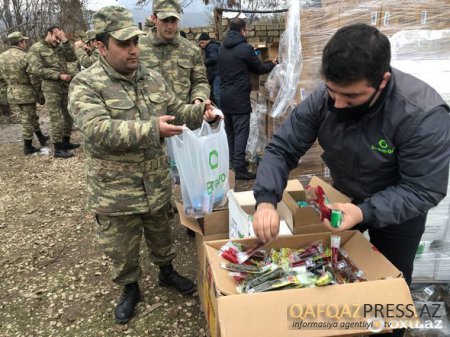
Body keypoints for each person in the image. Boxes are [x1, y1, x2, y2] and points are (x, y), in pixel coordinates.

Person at [253, 23, 450, 336]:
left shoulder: (421, 114)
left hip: (399, 211)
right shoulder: (324, 100)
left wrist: (365, 212)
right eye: (333, 93)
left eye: (352, 96)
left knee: (390, 290)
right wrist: (265, 200)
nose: (339, 105)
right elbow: (282, 148)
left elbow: (423, 189)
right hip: (345, 196)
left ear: (382, 81)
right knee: (328, 273)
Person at [68, 6, 217, 325]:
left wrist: (199, 109)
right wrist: (152, 129)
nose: (133, 49)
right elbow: (97, 129)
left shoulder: (150, 76)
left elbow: (175, 109)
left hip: (155, 180)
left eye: (135, 41)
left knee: (161, 233)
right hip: (115, 190)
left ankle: (166, 271)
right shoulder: (85, 84)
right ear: (101, 45)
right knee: (121, 246)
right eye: (123, 43)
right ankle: (130, 288)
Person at [218, 18, 277, 180]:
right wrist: (273, 64)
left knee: (230, 132)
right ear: (243, 30)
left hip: (224, 97)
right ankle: (239, 168)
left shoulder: (222, 48)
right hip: (239, 98)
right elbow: (258, 69)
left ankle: (231, 164)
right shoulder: (245, 48)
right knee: (241, 132)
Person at [139, 0, 210, 105]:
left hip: (183, 117)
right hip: (150, 119)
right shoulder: (138, 47)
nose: (170, 26)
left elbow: (201, 82)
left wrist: (198, 99)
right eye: (165, 20)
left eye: (174, 20)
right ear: (154, 18)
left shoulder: (191, 50)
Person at [27, 25, 79, 158]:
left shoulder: (61, 46)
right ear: (49, 34)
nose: (58, 41)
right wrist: (58, 75)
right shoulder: (36, 49)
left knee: (68, 115)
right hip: (51, 89)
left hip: (64, 87)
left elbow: (72, 58)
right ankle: (58, 148)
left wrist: (65, 41)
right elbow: (36, 70)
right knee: (57, 118)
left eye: (59, 38)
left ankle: (66, 142)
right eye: (56, 37)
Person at [0, 31, 49, 154]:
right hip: (26, 92)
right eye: (24, 41)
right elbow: (33, 77)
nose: (26, 43)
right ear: (20, 42)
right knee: (28, 118)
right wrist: (40, 93)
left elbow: (1, 79)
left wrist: (4, 93)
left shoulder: (1, 57)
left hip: (12, 91)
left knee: (31, 115)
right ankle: (28, 146)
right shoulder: (25, 56)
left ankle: (41, 137)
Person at [198, 32, 221, 108]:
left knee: (217, 94)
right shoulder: (214, 46)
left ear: (207, 41)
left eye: (202, 43)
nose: (201, 45)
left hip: (216, 74)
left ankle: (220, 112)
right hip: (216, 74)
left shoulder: (211, 47)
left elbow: (214, 58)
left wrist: (203, 62)